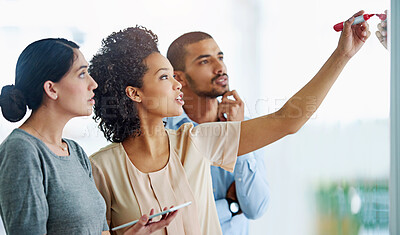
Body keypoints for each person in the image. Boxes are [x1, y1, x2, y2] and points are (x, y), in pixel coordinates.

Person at [89, 10, 370, 235]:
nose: (177, 85)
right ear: (134, 93)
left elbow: (286, 120)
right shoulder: (99, 169)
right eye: (165, 77)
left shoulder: (197, 141)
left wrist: (342, 55)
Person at [0, 38, 176, 235]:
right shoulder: (21, 150)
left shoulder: (75, 152)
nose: (93, 84)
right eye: (82, 74)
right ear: (51, 89)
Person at [165, 31, 270, 234]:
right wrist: (230, 205)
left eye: (220, 57)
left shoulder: (245, 126)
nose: (220, 67)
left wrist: (238, 133)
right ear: (179, 78)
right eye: (205, 61)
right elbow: (173, 220)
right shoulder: (164, 134)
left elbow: (256, 208)